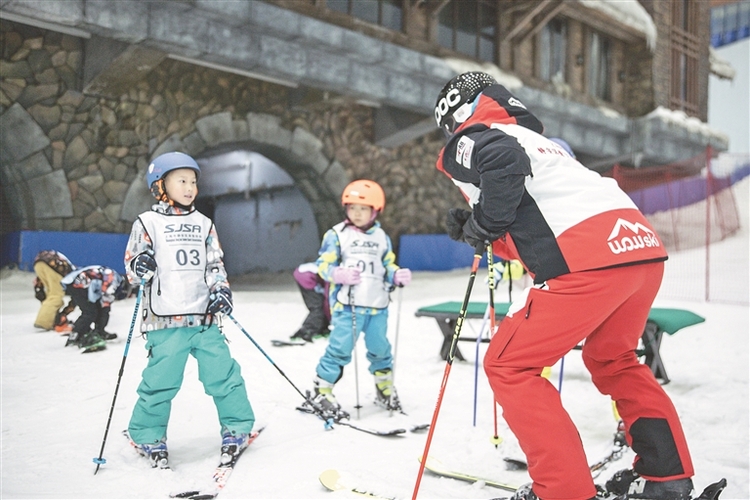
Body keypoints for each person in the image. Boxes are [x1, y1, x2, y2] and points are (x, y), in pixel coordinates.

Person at [434, 72, 693, 500]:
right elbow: (540, 224)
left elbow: (500, 164)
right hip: (637, 248)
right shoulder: (543, 145)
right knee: (615, 360)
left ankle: (563, 491)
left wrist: (484, 221)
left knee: (509, 366)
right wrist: (479, 231)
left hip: (587, 258)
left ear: (456, 113)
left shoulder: (478, 133)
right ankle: (668, 479)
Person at [123, 151, 255, 469]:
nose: (189, 187)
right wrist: (140, 265)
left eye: (193, 181)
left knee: (223, 374)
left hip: (204, 317)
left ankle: (237, 426)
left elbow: (214, 264)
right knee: (160, 381)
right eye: (181, 180)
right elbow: (132, 263)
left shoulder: (203, 224)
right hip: (164, 320)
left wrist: (220, 291)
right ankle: (147, 433)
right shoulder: (147, 222)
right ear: (160, 186)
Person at [308, 179, 412, 417]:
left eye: (363, 209)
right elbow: (322, 265)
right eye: (352, 207)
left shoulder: (381, 237)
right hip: (348, 306)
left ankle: (384, 386)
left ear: (374, 211)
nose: (356, 213)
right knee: (340, 348)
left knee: (380, 349)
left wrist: (396, 274)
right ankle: (322, 388)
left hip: (377, 306)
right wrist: (337, 273)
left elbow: (387, 265)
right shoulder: (336, 235)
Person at [61, 264, 130, 352]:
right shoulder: (113, 281)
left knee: (96, 309)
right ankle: (75, 336)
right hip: (78, 284)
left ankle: (97, 332)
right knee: (90, 313)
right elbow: (106, 302)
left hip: (79, 283)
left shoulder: (113, 275)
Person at [32, 250, 76, 332]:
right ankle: (43, 322)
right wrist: (64, 313)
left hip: (39, 262)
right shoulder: (79, 283)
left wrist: (41, 295)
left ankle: (51, 318)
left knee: (51, 294)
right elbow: (75, 302)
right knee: (56, 295)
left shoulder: (76, 275)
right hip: (53, 265)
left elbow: (39, 290)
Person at [290, 262, 331, 342]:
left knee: (320, 305)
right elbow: (327, 298)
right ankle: (306, 330)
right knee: (317, 307)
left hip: (302, 273)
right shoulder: (331, 276)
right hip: (305, 277)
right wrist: (330, 316)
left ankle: (322, 328)